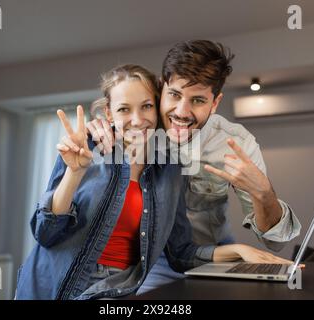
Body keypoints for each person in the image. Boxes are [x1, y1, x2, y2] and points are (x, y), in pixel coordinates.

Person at [15, 64, 292, 300]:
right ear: (109, 114)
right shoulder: (86, 148)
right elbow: (45, 233)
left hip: (116, 290)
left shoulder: (169, 169)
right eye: (124, 109)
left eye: (146, 106)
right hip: (51, 286)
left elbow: (181, 253)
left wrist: (240, 251)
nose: (138, 120)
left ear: (158, 107)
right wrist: (74, 173)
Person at [86, 40, 302, 294]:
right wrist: (97, 127)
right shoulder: (143, 127)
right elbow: (116, 116)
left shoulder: (235, 143)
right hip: (151, 263)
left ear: (215, 102)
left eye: (198, 100)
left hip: (216, 257)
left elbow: (273, 241)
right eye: (175, 95)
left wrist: (264, 193)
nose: (181, 111)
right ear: (160, 89)